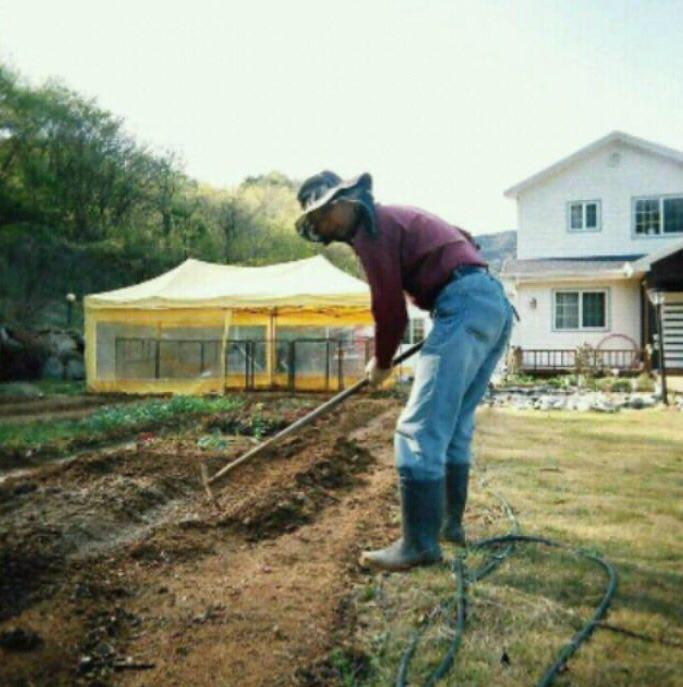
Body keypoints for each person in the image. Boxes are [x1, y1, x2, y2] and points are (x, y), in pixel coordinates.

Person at [295, 171, 514, 572]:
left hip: (462, 304)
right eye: (315, 223)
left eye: (321, 216)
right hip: (492, 302)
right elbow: (465, 238)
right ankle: (449, 527)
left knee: (416, 429)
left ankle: (418, 545)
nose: (321, 228)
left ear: (342, 202)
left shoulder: (372, 231)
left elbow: (389, 309)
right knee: (453, 425)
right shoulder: (400, 217)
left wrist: (380, 362)